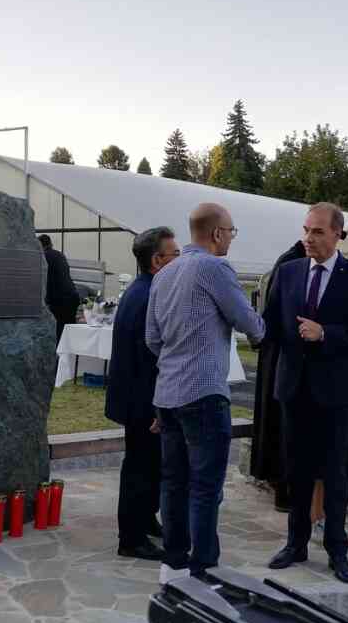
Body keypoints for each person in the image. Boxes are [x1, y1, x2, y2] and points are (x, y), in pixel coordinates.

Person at [263, 202, 348, 584]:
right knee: (296, 471)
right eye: (305, 230)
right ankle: (295, 543)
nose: (308, 238)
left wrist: (326, 333)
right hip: (293, 387)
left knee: (334, 475)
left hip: (334, 391)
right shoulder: (288, 272)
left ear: (337, 234)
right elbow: (270, 326)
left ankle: (336, 550)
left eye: (316, 231)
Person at [146, 203, 265, 581]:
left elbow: (152, 339)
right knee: (205, 487)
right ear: (216, 233)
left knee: (174, 483)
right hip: (203, 393)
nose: (231, 238)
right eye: (230, 231)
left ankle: (173, 564)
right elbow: (249, 322)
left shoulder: (164, 274)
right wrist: (263, 329)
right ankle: (203, 569)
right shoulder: (215, 268)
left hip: (167, 394)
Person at [104, 227, 179, 561]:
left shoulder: (145, 289)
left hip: (139, 395)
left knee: (149, 465)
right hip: (143, 399)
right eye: (175, 255)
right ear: (156, 260)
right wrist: (159, 407)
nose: (180, 260)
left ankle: (145, 519)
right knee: (140, 467)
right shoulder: (149, 295)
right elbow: (150, 356)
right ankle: (131, 538)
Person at [250, 240, 306, 511]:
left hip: (286, 354)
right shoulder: (291, 263)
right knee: (279, 423)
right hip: (283, 355)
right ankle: (282, 484)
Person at [39, 234, 81, 342]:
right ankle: (69, 352)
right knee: (69, 332)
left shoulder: (44, 257)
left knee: (59, 334)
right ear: (50, 243)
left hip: (59, 301)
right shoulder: (59, 254)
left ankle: (59, 352)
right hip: (72, 297)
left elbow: (45, 280)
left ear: (40, 245)